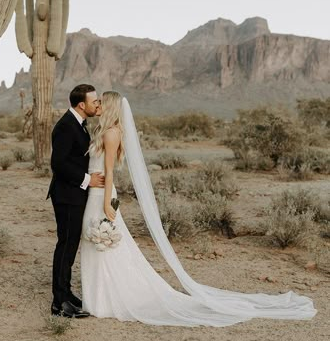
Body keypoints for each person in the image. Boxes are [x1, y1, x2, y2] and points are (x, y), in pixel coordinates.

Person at [80, 91, 316, 326]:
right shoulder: (103, 131)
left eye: (102, 101)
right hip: (95, 193)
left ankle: (104, 300)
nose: (98, 104)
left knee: (103, 245)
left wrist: (105, 203)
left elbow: (109, 171)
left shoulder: (111, 133)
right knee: (99, 245)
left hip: (102, 195)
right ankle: (100, 298)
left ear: (109, 106)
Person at [48, 84, 104, 318]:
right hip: (67, 195)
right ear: (82, 105)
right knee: (66, 245)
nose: (97, 105)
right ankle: (59, 303)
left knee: (70, 245)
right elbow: (58, 164)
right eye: (94, 102)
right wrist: (87, 179)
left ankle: (66, 294)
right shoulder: (65, 127)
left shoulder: (79, 124)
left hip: (74, 194)